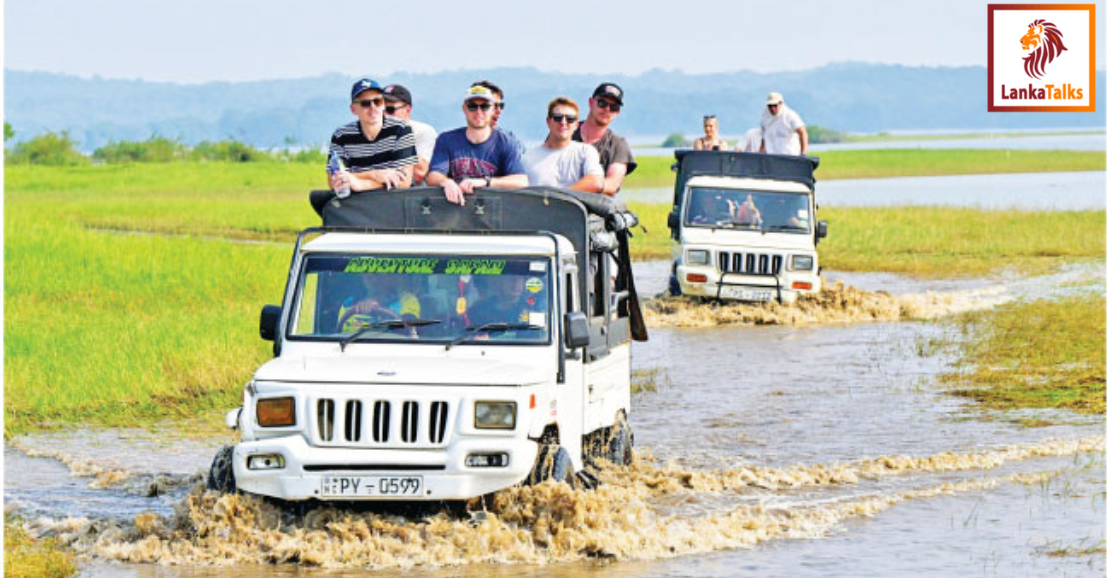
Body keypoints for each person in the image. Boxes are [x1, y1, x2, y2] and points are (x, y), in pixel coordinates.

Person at [425, 86, 529, 206]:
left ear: (493, 110)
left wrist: (484, 182)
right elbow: (433, 176)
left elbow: (521, 181)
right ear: (464, 109)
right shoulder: (446, 140)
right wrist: (446, 182)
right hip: (453, 209)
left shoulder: (506, 142)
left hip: (493, 212)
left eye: (485, 107)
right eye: (472, 106)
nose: (479, 112)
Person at [327, 78, 418, 193]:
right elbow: (333, 180)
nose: (373, 107)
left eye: (377, 101)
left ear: (383, 104)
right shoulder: (341, 135)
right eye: (365, 103)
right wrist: (375, 174)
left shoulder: (401, 129)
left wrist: (360, 184)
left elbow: (404, 181)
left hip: (395, 202)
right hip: (359, 204)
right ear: (353, 109)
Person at [522, 97, 603, 192]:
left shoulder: (586, 152)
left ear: (576, 125)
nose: (563, 122)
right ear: (548, 121)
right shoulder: (527, 158)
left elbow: (596, 182)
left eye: (570, 119)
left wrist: (558, 197)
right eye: (557, 118)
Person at [573, 82, 637, 196]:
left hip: (596, 208)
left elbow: (612, 184)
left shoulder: (618, 144)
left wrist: (571, 190)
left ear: (617, 112)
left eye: (613, 107)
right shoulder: (566, 132)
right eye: (602, 103)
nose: (607, 109)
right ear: (591, 103)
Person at [382, 84, 438, 185]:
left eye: (390, 110)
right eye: (381, 110)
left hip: (414, 196)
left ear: (408, 109)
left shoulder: (423, 131)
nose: (385, 115)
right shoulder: (371, 133)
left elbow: (419, 172)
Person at [337, 274, 421, 332]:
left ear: (392, 277)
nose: (372, 278)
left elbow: (408, 329)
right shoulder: (349, 303)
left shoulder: (407, 299)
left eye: (378, 273)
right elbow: (340, 333)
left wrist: (379, 308)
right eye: (367, 273)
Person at [471, 80, 525, 155]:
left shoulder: (510, 141)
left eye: (501, 106)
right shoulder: (455, 142)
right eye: (494, 106)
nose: (499, 111)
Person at [468, 275, 539, 328]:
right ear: (499, 282)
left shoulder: (532, 308)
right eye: (511, 279)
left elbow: (537, 335)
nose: (516, 284)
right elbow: (470, 334)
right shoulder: (480, 309)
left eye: (520, 279)